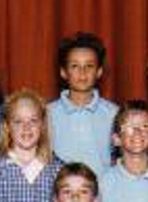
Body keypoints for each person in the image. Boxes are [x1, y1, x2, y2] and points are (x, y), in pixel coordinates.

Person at [0, 89, 64, 202]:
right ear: (7, 127)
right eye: (18, 122)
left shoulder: (57, 169)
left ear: (43, 125)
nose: (26, 128)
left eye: (33, 121)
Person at [47, 32, 119, 176]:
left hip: (102, 195)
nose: (82, 72)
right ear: (63, 72)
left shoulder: (114, 113)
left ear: (99, 71)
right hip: (60, 194)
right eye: (75, 66)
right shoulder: (47, 113)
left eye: (89, 66)